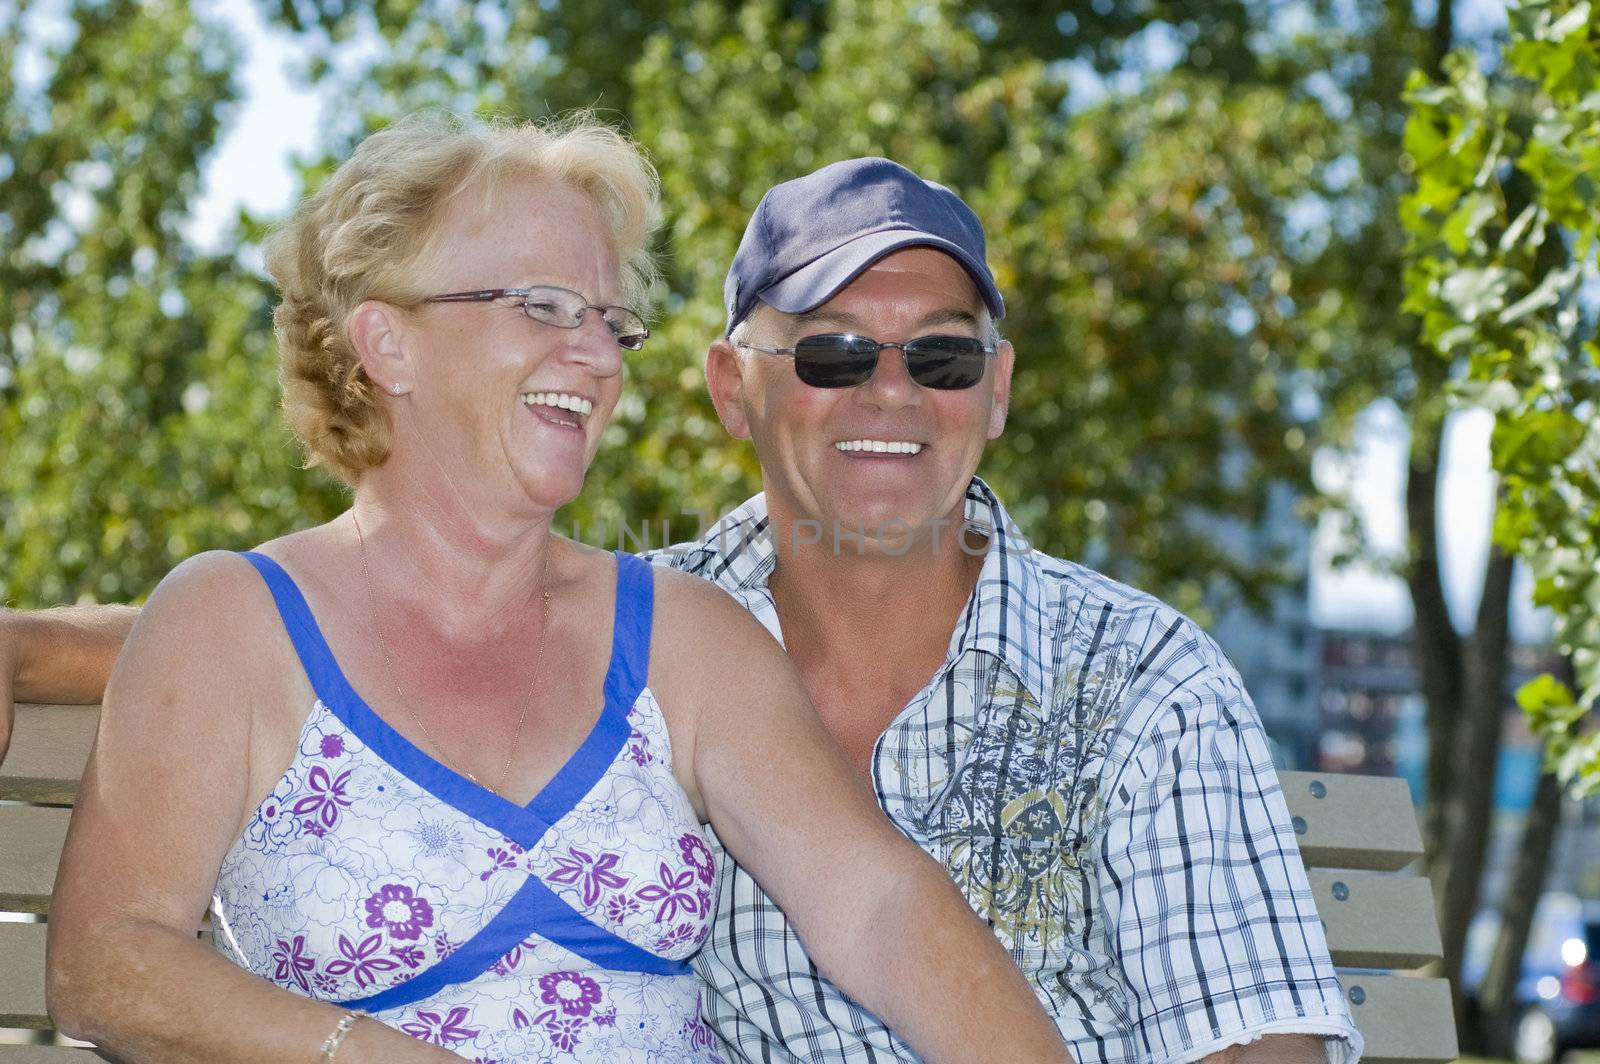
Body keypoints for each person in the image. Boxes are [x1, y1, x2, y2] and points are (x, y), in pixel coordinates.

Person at [0, 152, 1362, 1064]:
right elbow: (103, 964)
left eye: (608, 318)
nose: (593, 354)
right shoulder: (231, 623)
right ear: (385, 339)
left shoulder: (685, 635)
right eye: (542, 305)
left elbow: (881, 909)